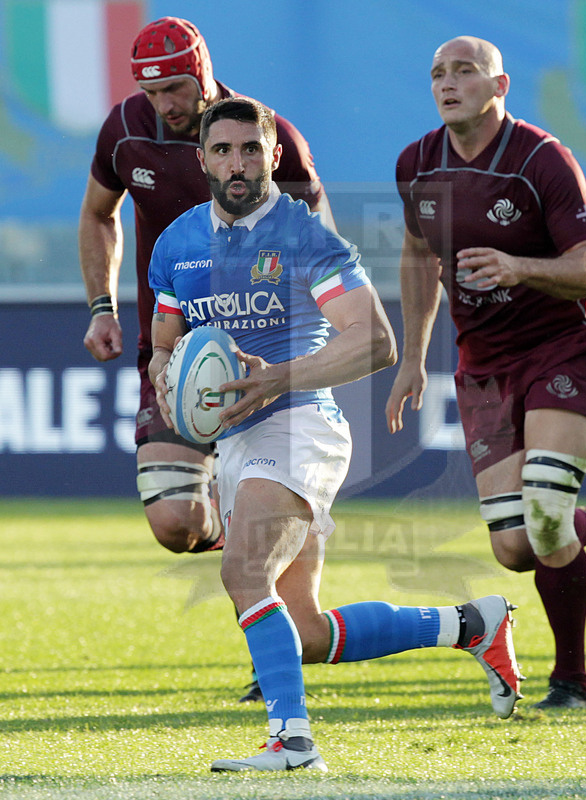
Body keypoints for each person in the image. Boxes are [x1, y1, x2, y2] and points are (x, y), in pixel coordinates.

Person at [148, 96, 522, 772]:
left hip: (300, 424)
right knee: (307, 633)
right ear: (202, 159)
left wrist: (276, 379)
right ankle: (472, 625)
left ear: (274, 156)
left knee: (242, 570)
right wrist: (166, 382)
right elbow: (165, 344)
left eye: (251, 150)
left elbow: (374, 340)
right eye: (223, 151)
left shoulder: (304, 237)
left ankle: (291, 742)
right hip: (236, 441)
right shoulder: (175, 244)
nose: (237, 164)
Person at [386, 36, 586, 710]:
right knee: (514, 547)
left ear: (499, 85)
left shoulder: (541, 159)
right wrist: (412, 357)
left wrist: (519, 268)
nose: (448, 83)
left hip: (564, 347)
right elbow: (419, 256)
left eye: (464, 71)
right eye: (437, 73)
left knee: (544, 517)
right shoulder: (416, 164)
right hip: (484, 365)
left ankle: (570, 681)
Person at [78, 16, 334, 702]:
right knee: (176, 524)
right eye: (153, 91)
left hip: (263, 356)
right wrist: (102, 307)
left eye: (177, 88)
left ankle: (271, 647)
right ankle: (262, 530)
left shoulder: (267, 138)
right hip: (174, 350)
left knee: (289, 603)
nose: (166, 103)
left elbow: (320, 246)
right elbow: (98, 213)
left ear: (205, 72)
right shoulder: (125, 131)